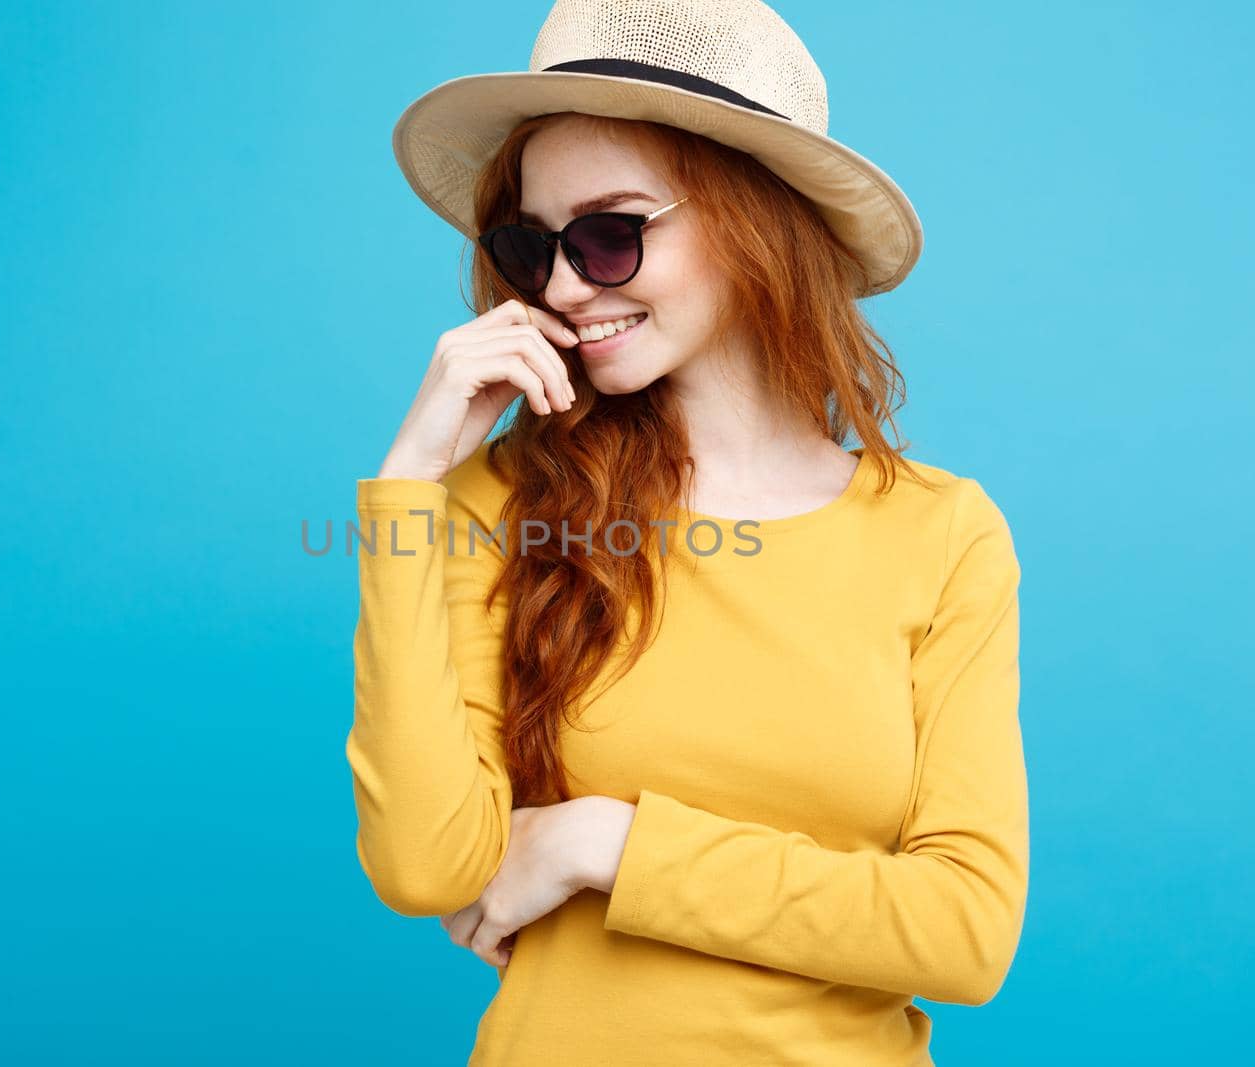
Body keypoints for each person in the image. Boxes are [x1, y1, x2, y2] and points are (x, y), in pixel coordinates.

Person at [345, 1, 1028, 1063]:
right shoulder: (502, 504)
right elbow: (425, 868)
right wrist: (407, 486)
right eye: (535, 245)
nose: (565, 286)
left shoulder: (940, 533)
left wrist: (601, 840)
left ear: (752, 219)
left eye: (610, 234)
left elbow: (964, 929)